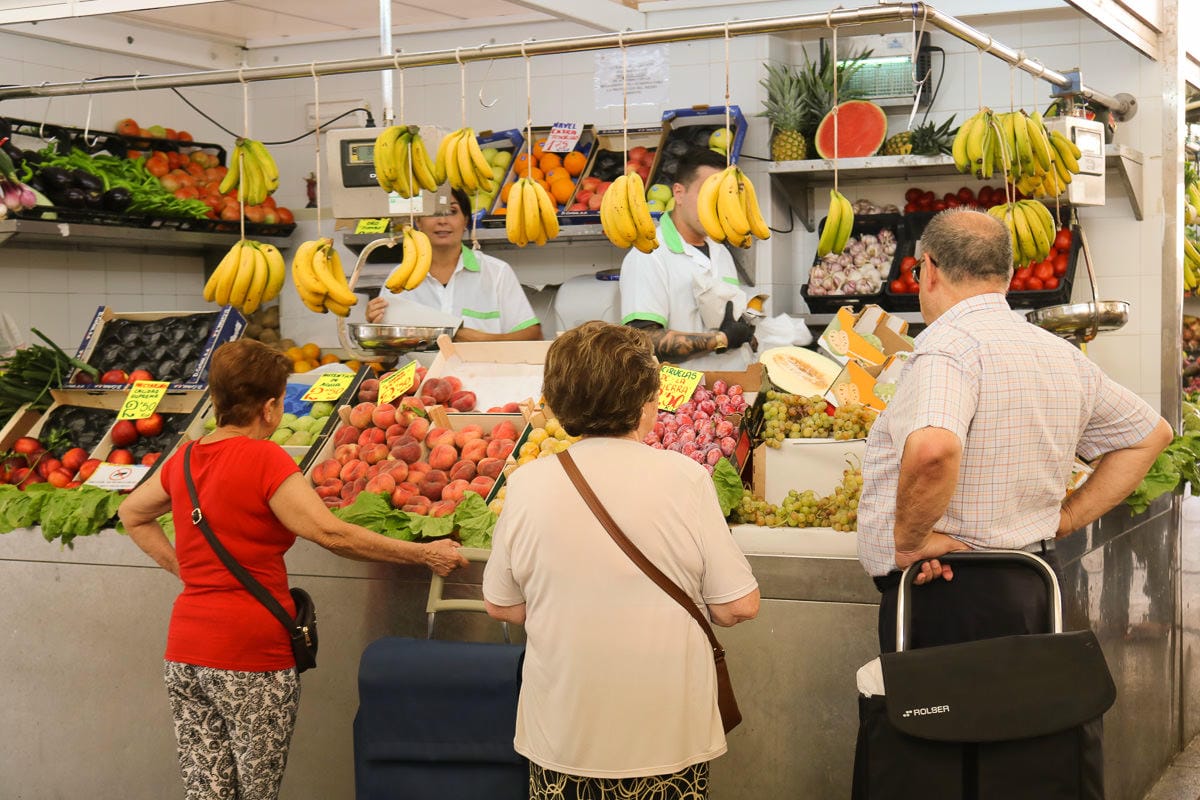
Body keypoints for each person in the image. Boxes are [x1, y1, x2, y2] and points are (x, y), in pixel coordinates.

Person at [118, 338, 468, 800]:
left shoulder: (184, 459)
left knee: (208, 794)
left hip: (186, 654)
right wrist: (422, 553)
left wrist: (189, 573)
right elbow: (331, 533)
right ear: (269, 407)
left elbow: (132, 513)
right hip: (250, 656)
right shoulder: (265, 458)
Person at [857, 207, 1172, 653]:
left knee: (941, 723)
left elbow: (933, 451)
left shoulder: (948, 350)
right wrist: (1065, 518)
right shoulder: (1058, 353)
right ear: (1007, 274)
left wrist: (910, 545)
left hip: (949, 598)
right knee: (1024, 717)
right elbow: (1150, 434)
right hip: (1033, 582)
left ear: (928, 268)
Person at [482, 321, 759, 799]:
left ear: (558, 401)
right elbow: (738, 606)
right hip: (666, 739)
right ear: (645, 401)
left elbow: (502, 605)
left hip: (563, 740)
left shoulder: (526, 484)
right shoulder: (686, 478)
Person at [619, 147, 756, 370]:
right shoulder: (649, 255)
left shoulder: (721, 251)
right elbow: (641, 341)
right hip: (683, 399)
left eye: (720, 195)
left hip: (733, 390)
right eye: (707, 193)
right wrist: (721, 339)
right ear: (679, 193)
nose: (714, 204)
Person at [365, 187, 542, 342]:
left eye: (452, 211)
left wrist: (479, 340)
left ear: (465, 220)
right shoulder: (400, 278)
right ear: (418, 221)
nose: (443, 221)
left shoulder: (497, 272)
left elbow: (533, 335)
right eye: (434, 212)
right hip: (419, 379)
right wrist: (376, 330)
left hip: (481, 377)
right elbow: (387, 361)